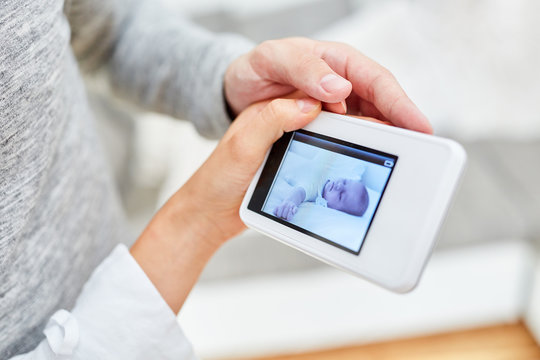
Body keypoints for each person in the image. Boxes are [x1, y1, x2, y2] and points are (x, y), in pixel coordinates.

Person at [0, 0, 432, 358]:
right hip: (133, 313)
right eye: (342, 188)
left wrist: (226, 77)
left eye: (340, 197)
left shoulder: (314, 192)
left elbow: (107, 30)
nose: (335, 190)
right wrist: (197, 222)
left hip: (129, 278)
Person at [274, 177, 369, 221]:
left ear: (337, 210)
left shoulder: (322, 199)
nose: (339, 186)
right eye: (344, 182)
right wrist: (290, 202)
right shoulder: (320, 184)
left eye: (341, 196)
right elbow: (301, 192)